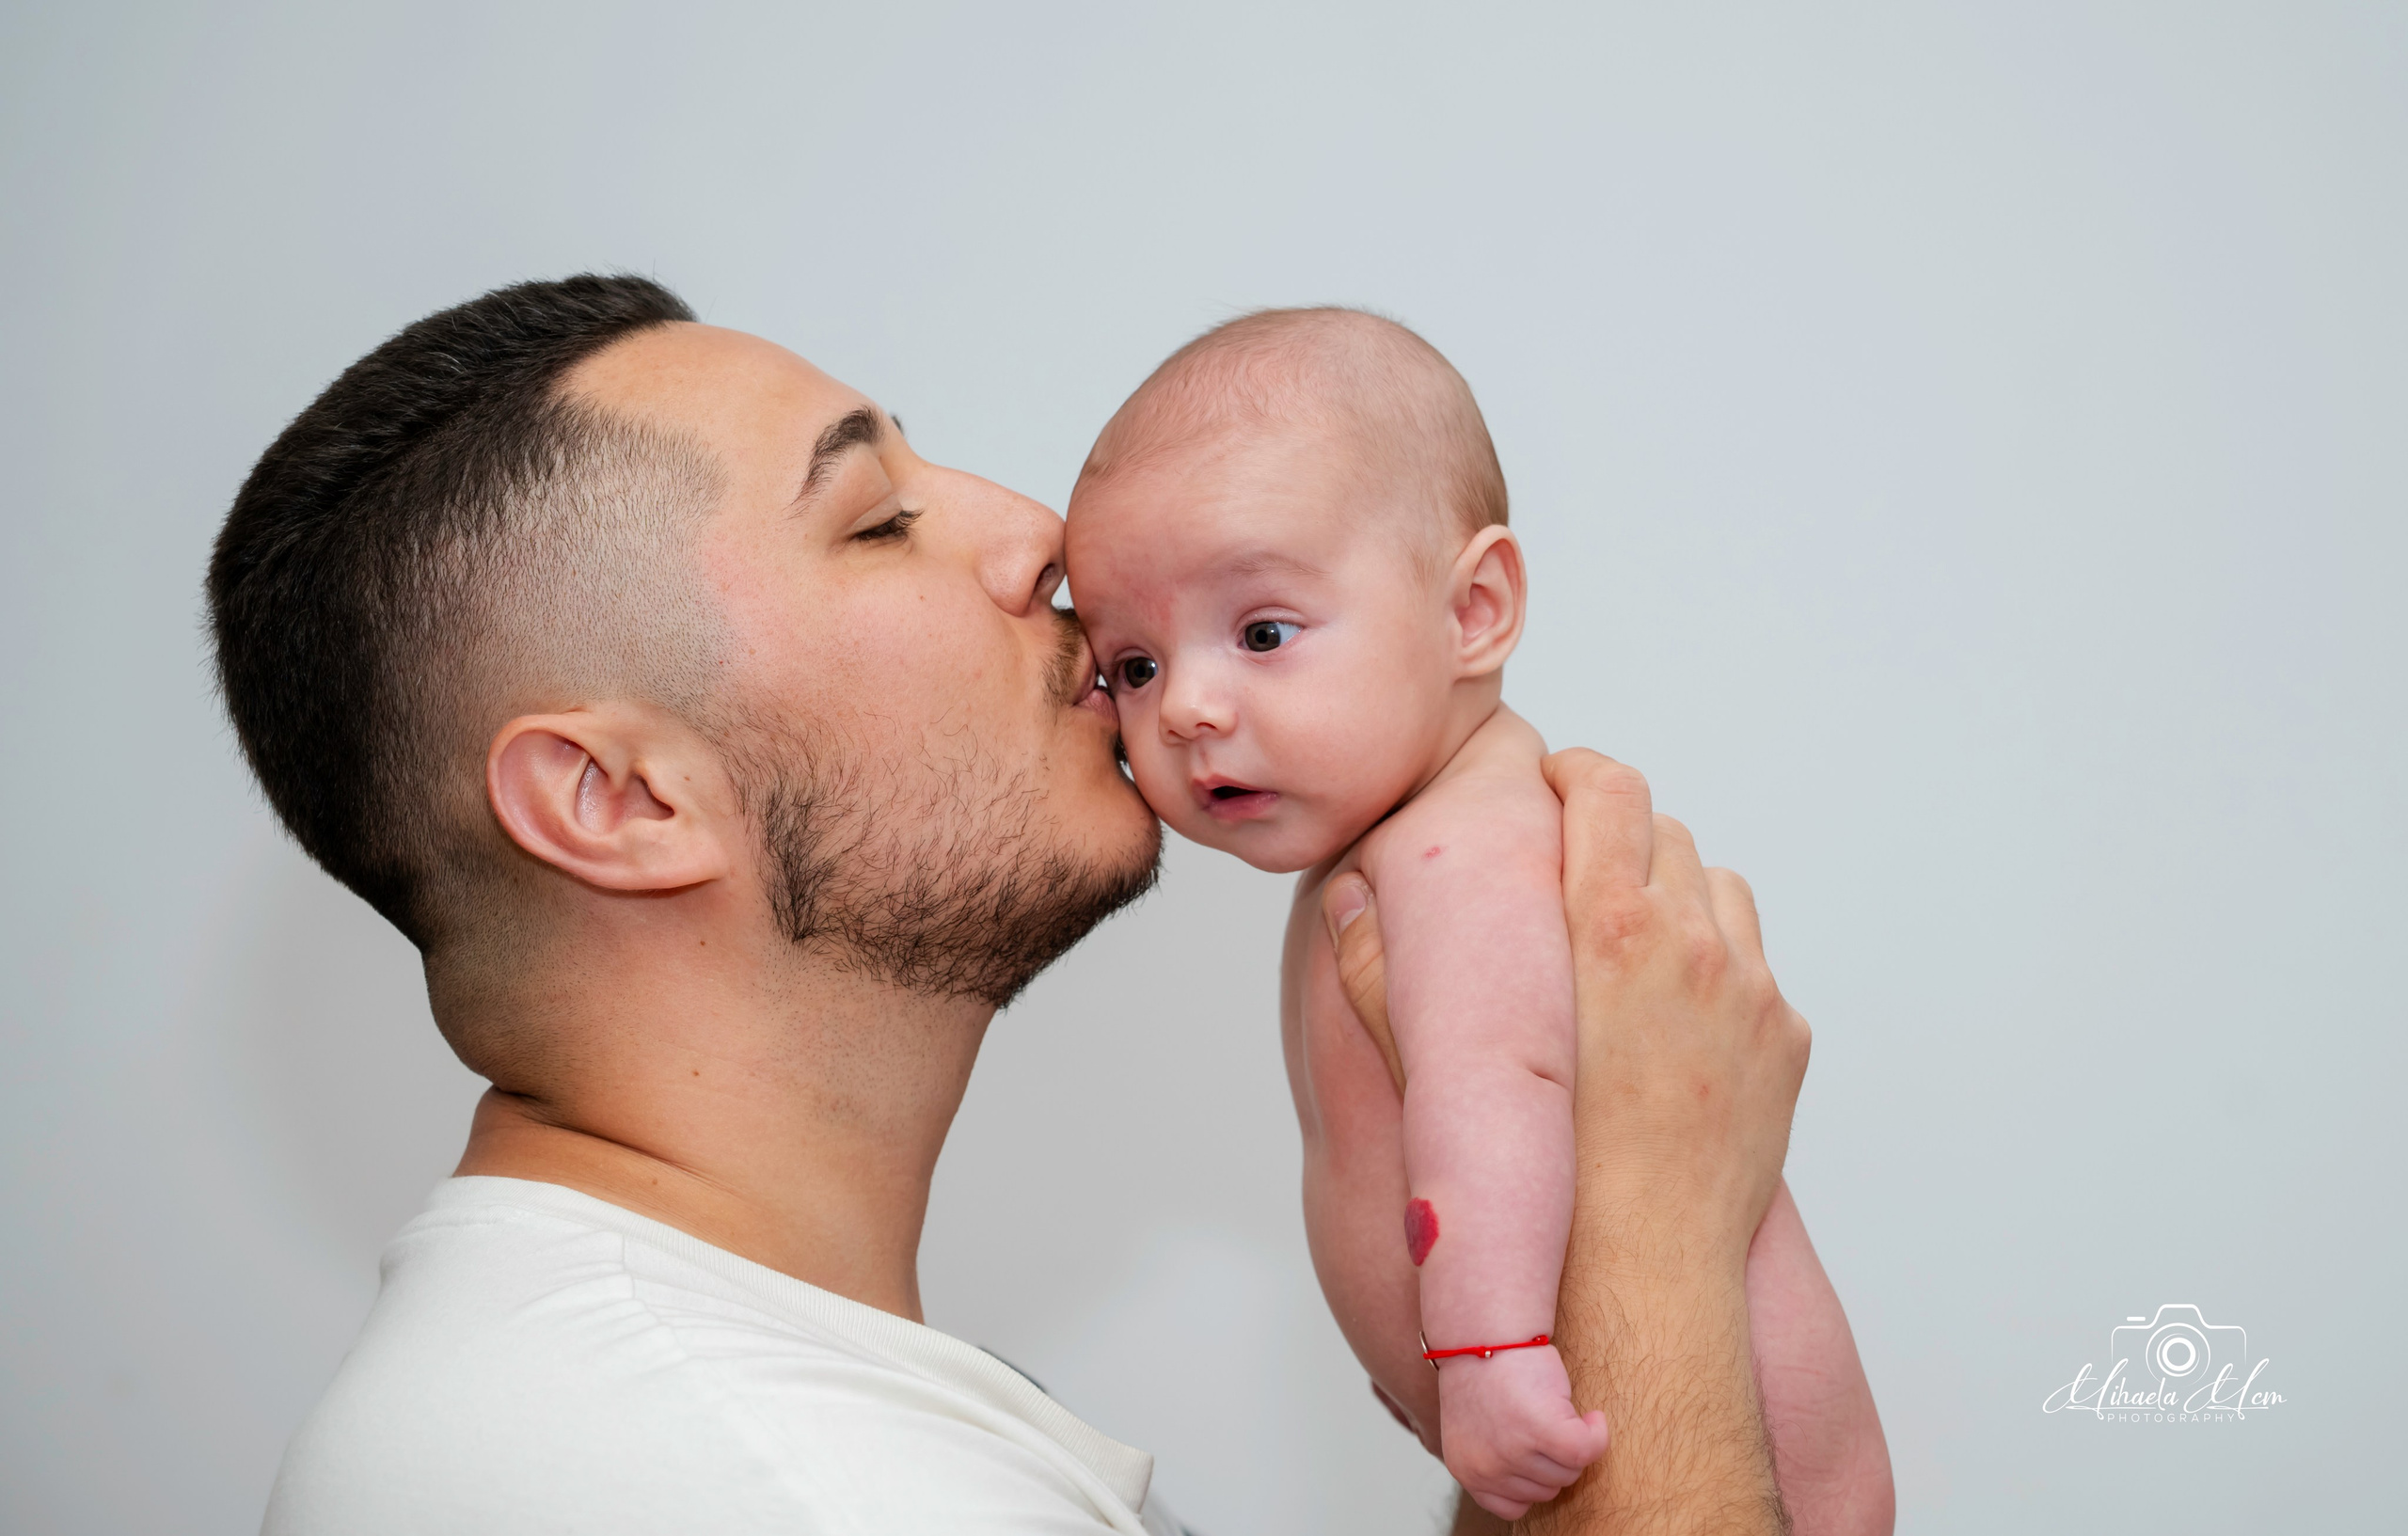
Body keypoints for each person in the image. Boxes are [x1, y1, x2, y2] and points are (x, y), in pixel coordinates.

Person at [209, 274, 1846, 1533]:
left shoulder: (732, 1407)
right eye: (878, 519)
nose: (1041, 539)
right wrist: (1649, 1222)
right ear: (621, 798)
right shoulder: (757, 1480)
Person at [1062, 309, 1891, 1525]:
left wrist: (1486, 1349)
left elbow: (1498, 1086)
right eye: (1134, 664)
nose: (1186, 705)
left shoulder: (1464, 842)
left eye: (1263, 633)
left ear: (1474, 610)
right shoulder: (1396, 831)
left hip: (1727, 1454)